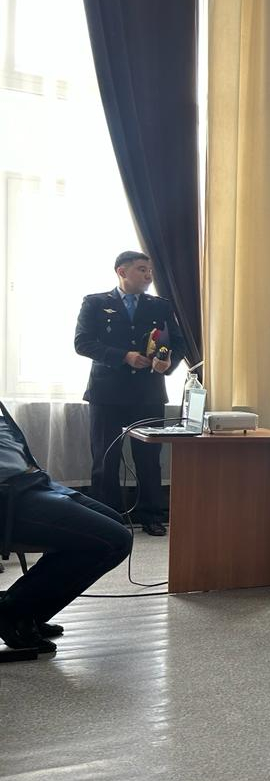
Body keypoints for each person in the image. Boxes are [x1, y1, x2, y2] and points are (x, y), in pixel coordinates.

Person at [0, 401, 132, 655]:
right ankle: (13, 613)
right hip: (8, 498)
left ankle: (29, 611)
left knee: (113, 523)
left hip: (34, 483)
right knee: (114, 540)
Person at [74, 251, 187, 536]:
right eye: (141, 269)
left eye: (150, 270)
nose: (148, 275)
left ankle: (151, 516)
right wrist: (124, 356)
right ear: (122, 272)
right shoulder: (96, 303)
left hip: (148, 393)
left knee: (148, 458)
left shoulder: (160, 306)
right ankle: (108, 517)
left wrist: (167, 362)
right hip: (106, 393)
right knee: (105, 457)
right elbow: (82, 343)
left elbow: (178, 343)